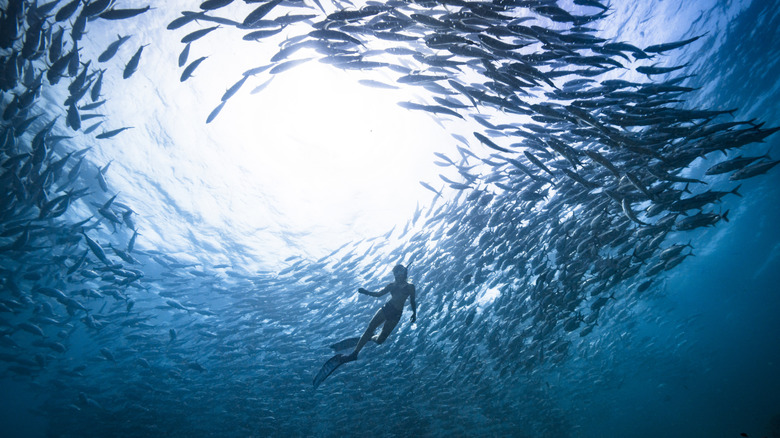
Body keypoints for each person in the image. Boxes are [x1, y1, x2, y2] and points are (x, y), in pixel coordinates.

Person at [344, 264, 416, 361]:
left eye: (400, 272)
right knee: (370, 328)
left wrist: (414, 313)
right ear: (394, 275)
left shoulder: (410, 287)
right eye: (396, 272)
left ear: (404, 273)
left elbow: (412, 301)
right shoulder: (391, 286)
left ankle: (371, 338)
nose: (398, 275)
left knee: (380, 340)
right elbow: (379, 294)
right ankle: (355, 353)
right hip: (387, 308)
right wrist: (367, 292)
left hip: (396, 315)